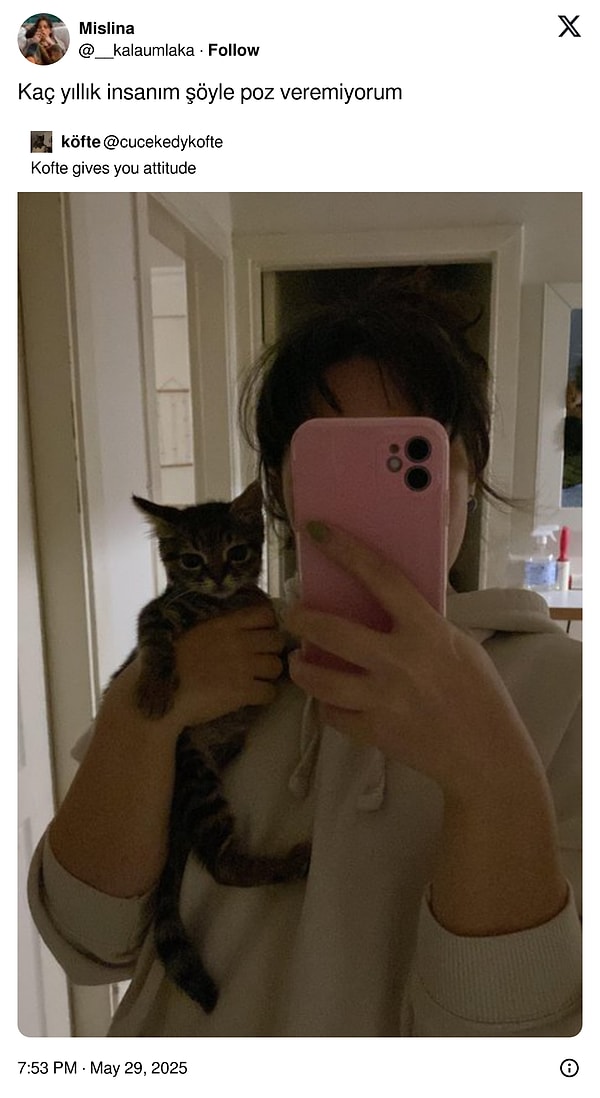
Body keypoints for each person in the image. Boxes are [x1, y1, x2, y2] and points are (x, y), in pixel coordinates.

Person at [28, 289, 581, 1036]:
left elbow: (527, 1043)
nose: (371, 494)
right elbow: (84, 940)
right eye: (335, 459)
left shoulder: (567, 692)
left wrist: (492, 778)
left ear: (467, 470)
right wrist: (142, 717)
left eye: (407, 452)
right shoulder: (207, 652)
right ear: (282, 490)